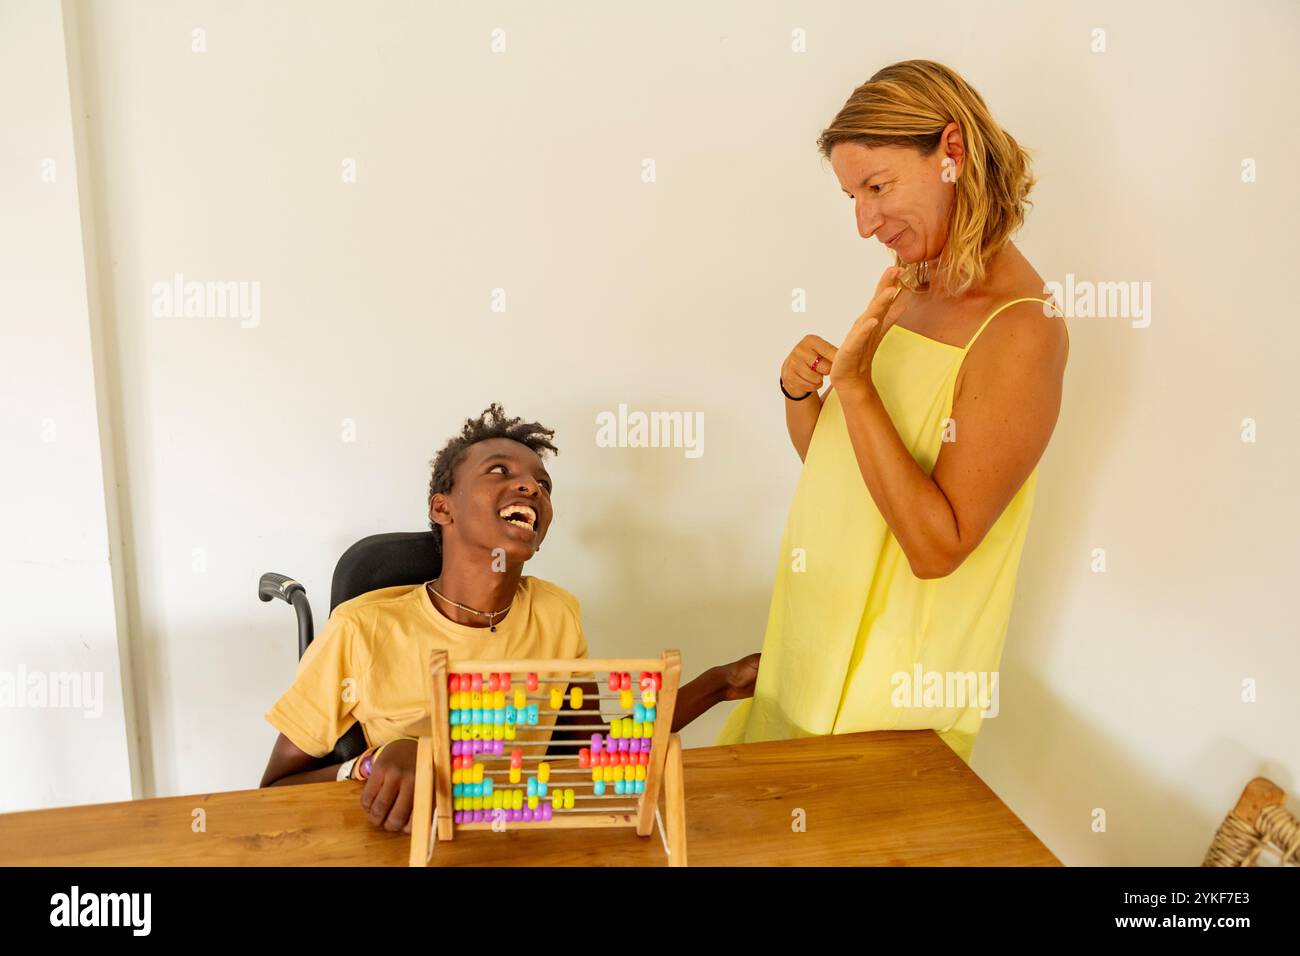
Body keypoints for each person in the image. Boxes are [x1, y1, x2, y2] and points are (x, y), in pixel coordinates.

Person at [716, 60, 1070, 764]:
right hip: (810, 646)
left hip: (889, 693)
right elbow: (845, 473)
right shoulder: (914, 281)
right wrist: (802, 397)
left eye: (877, 187)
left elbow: (937, 546)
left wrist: (856, 387)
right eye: (852, 196)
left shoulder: (1022, 328)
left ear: (952, 151)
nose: (864, 222)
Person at [260, 403, 759, 831]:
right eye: (500, 471)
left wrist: (719, 684)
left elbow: (594, 748)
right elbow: (274, 789)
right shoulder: (361, 629)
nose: (530, 488)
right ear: (443, 508)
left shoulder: (556, 613)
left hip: (518, 837)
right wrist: (370, 764)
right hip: (408, 840)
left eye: (542, 484)